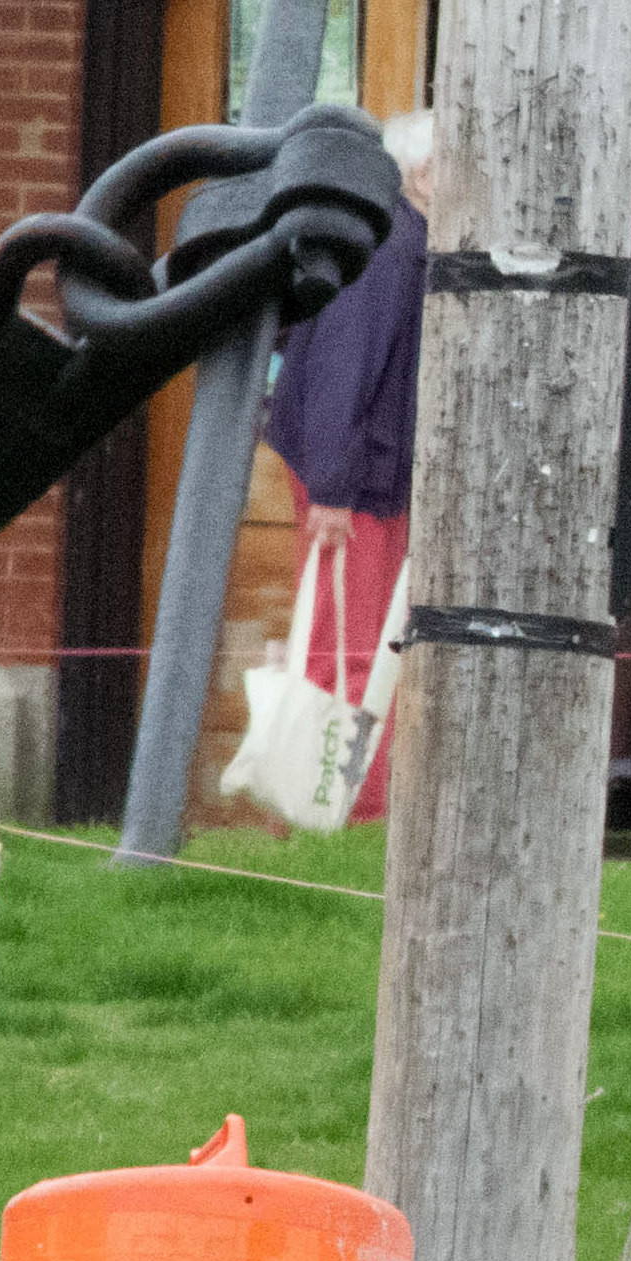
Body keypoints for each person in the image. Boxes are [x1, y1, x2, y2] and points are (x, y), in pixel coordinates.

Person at [259, 109, 429, 827]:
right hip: (354, 485)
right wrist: (331, 486)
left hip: (368, 478)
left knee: (360, 642)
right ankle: (341, 809)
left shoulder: (397, 236)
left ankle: (349, 805)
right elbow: (340, 368)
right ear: (423, 172)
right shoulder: (388, 243)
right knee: (348, 647)